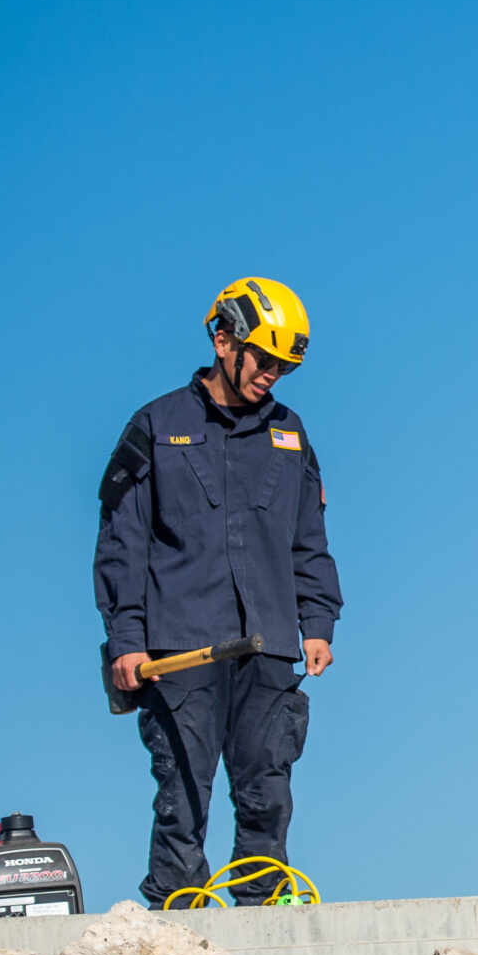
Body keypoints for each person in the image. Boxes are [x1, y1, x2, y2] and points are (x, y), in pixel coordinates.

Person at [93, 277, 343, 907]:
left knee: (269, 790)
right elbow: (123, 543)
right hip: (180, 649)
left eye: (286, 365)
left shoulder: (291, 434)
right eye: (266, 360)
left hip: (268, 646)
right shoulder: (156, 425)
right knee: (182, 794)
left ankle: (265, 911)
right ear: (224, 339)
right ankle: (180, 918)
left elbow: (308, 537)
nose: (273, 376)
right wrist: (125, 639)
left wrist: (317, 621)